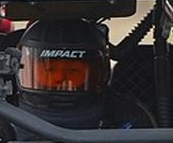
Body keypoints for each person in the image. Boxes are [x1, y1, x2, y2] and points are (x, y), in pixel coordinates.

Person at [14, 18, 153, 132]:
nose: (59, 79)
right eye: (50, 70)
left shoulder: (124, 117)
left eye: (73, 71)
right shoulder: (1, 114)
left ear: (100, 73)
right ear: (20, 68)